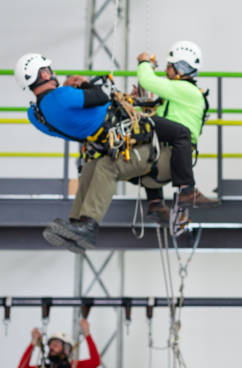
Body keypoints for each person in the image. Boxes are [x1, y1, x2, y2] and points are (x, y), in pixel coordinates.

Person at [13, 53, 209, 251]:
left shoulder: (35, 114)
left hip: (112, 141)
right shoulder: (62, 96)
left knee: (93, 167)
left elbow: (72, 126)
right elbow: (100, 97)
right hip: (128, 134)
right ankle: (184, 190)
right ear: (45, 74)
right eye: (50, 70)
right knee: (108, 165)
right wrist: (84, 84)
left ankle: (77, 222)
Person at [135, 40, 216, 221]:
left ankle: (185, 190)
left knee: (161, 129)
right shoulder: (175, 94)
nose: (166, 71)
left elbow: (147, 80)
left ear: (180, 67)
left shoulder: (186, 90)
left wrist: (144, 62)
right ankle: (155, 202)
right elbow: (156, 115)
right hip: (165, 147)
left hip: (174, 150)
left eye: (169, 66)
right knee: (149, 127)